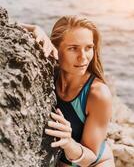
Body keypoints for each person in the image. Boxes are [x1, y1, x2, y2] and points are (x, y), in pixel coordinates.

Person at [20, 16, 115, 167]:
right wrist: (34, 29)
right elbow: (6, 26)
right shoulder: (48, 71)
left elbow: (90, 157)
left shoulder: (98, 94)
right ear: (56, 48)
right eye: (73, 48)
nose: (83, 57)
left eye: (88, 47)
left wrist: (68, 142)